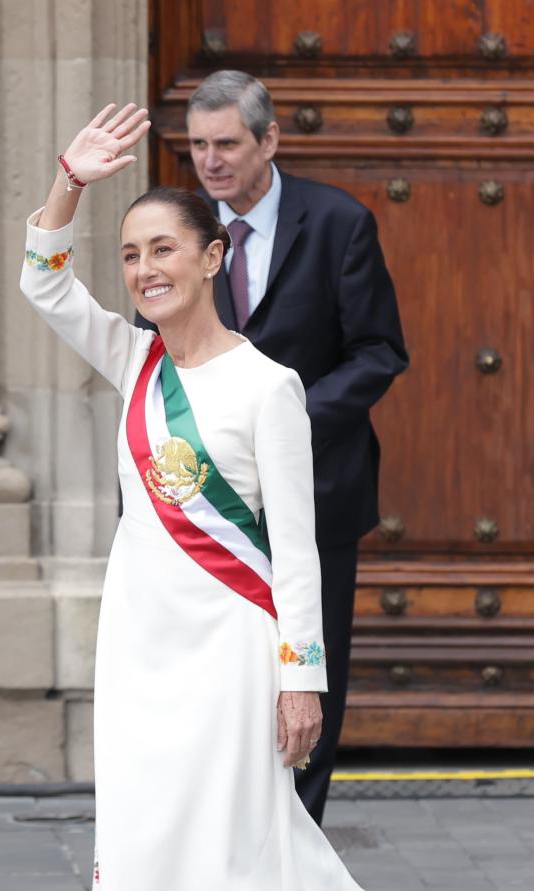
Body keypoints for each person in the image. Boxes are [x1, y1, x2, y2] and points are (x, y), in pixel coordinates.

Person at [20, 101, 363, 890]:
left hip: (232, 649)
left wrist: (300, 675)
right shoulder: (135, 361)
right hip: (140, 642)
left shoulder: (269, 386)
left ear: (212, 258)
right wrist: (68, 182)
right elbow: (44, 285)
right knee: (145, 825)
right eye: (132, 254)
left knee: (237, 837)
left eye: (164, 249)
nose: (146, 270)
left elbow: (298, 547)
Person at [137, 70, 409, 824]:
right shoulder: (179, 227)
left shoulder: (338, 223)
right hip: (201, 505)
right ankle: (219, 838)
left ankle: (298, 843)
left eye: (227, 143)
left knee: (307, 683)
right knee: (216, 682)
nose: (211, 161)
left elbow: (379, 352)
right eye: (198, 145)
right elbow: (148, 352)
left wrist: (279, 422)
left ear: (269, 141)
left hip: (315, 496)